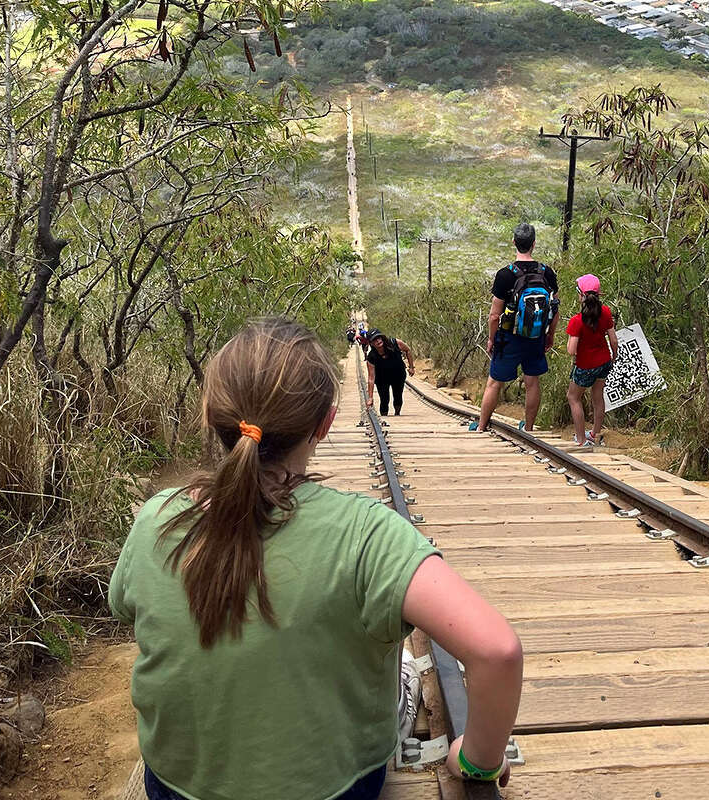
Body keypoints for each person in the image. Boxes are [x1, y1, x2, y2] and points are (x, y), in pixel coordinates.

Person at [109, 318, 522, 800]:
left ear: (210, 414)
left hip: (178, 787)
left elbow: (128, 611)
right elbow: (497, 651)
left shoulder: (157, 519)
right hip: (335, 789)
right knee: (405, 668)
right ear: (325, 424)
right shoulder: (367, 533)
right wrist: (475, 761)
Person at [469, 222, 559, 433]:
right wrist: (549, 335)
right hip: (536, 335)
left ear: (514, 243)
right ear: (534, 244)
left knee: (494, 383)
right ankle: (528, 427)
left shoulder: (505, 275)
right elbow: (554, 309)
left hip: (509, 336)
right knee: (532, 382)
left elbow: (494, 315)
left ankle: (481, 427)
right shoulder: (547, 272)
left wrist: (492, 339)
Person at [565, 274, 619, 447]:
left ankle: (581, 439)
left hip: (585, 365)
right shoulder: (606, 312)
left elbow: (571, 350)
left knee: (573, 397)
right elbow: (613, 340)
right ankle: (594, 434)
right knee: (598, 397)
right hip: (604, 362)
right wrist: (614, 356)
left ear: (581, 295)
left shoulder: (576, 321)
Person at [365, 329, 415, 415]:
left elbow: (408, 350)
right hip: (382, 378)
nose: (378, 341)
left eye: (379, 338)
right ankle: (384, 416)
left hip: (398, 375)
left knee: (398, 396)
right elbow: (371, 378)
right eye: (374, 340)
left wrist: (411, 367)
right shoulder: (371, 357)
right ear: (371, 343)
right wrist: (370, 398)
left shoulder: (395, 343)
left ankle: (397, 414)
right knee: (384, 399)